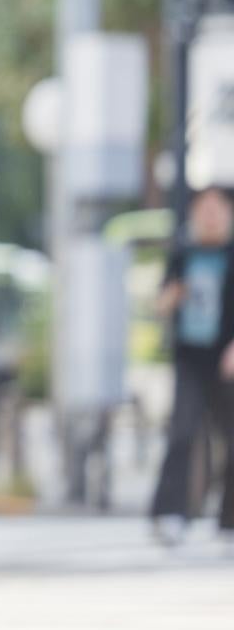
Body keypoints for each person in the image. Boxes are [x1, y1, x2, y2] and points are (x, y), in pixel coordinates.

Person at [149, 186, 234, 545]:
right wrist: (170, 298)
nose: (211, 215)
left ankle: (228, 519)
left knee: (230, 435)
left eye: (218, 208)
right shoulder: (183, 252)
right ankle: (170, 512)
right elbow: (162, 302)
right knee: (182, 432)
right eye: (204, 208)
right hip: (190, 357)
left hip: (227, 356)